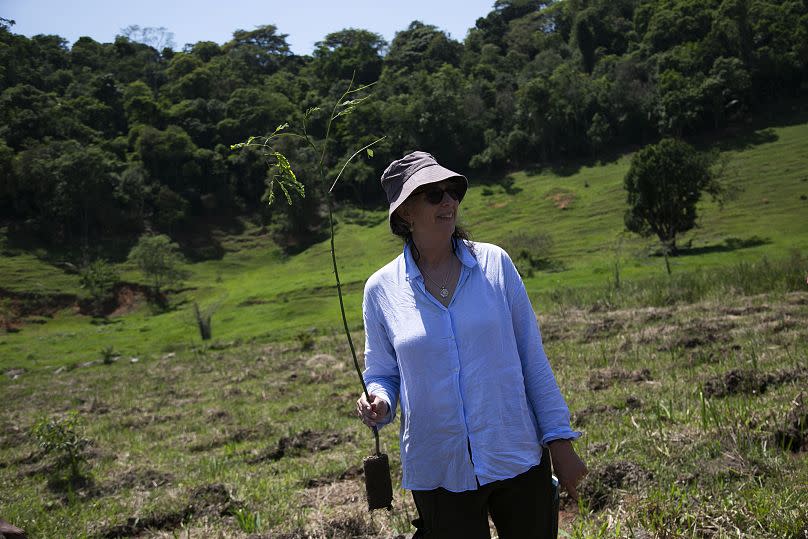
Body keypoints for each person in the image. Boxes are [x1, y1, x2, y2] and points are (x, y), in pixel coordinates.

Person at [356, 151, 587, 538]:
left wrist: (560, 443)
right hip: (439, 468)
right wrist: (378, 399)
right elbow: (382, 372)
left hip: (515, 454)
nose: (448, 202)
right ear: (405, 214)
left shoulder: (495, 264)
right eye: (433, 195)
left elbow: (533, 360)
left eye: (452, 192)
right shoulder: (381, 290)